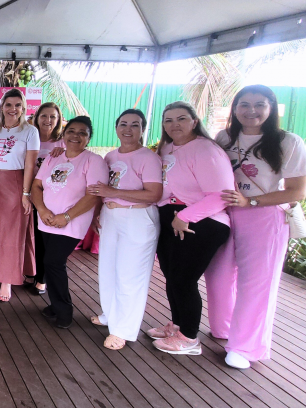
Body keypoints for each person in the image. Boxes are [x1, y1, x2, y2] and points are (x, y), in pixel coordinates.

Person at [205, 86, 306, 369]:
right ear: (235, 108)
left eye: (260, 104)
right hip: (223, 213)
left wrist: (250, 201)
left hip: (264, 217)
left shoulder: (289, 141)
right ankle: (224, 329)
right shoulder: (224, 137)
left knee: (256, 284)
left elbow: (296, 192)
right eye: (244, 104)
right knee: (218, 275)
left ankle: (245, 347)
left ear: (272, 108)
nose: (251, 111)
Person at [148, 102, 234, 355]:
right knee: (171, 274)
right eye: (168, 120)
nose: (174, 124)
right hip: (172, 217)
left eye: (181, 119)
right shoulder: (167, 148)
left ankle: (189, 338)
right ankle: (177, 324)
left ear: (195, 121)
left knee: (184, 278)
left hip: (202, 221)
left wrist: (185, 216)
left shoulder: (207, 150)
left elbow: (221, 196)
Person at [87, 109, 163, 350]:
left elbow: (154, 194)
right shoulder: (110, 156)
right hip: (111, 217)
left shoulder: (148, 157)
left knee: (130, 276)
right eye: (123, 124)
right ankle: (110, 315)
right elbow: (103, 189)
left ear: (143, 129)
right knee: (108, 269)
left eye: (135, 125)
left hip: (137, 219)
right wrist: (99, 210)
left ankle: (124, 330)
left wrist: (114, 194)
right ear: (116, 127)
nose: (128, 129)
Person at [31, 116, 107, 329]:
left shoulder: (94, 161)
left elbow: (94, 195)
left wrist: (66, 217)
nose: (76, 136)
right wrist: (43, 210)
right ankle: (56, 306)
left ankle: (64, 312)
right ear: (63, 135)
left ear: (89, 138)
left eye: (82, 132)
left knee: (54, 263)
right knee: (50, 262)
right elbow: (37, 186)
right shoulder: (54, 157)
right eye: (71, 131)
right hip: (46, 219)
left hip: (70, 223)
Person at [0, 89, 39, 302]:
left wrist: (25, 193)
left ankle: (7, 280)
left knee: (12, 235)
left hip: (16, 185)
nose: (13, 109)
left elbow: (30, 164)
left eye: (17, 105)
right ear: (1, 106)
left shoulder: (30, 131)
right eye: (9, 104)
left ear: (23, 108)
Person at [28, 102, 65, 296]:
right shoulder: (29, 137)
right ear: (37, 117)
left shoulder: (63, 143)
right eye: (44, 116)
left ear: (58, 120)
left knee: (45, 239)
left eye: (52, 117)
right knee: (31, 236)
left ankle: (42, 279)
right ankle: (32, 272)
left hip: (52, 198)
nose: (48, 120)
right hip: (29, 194)